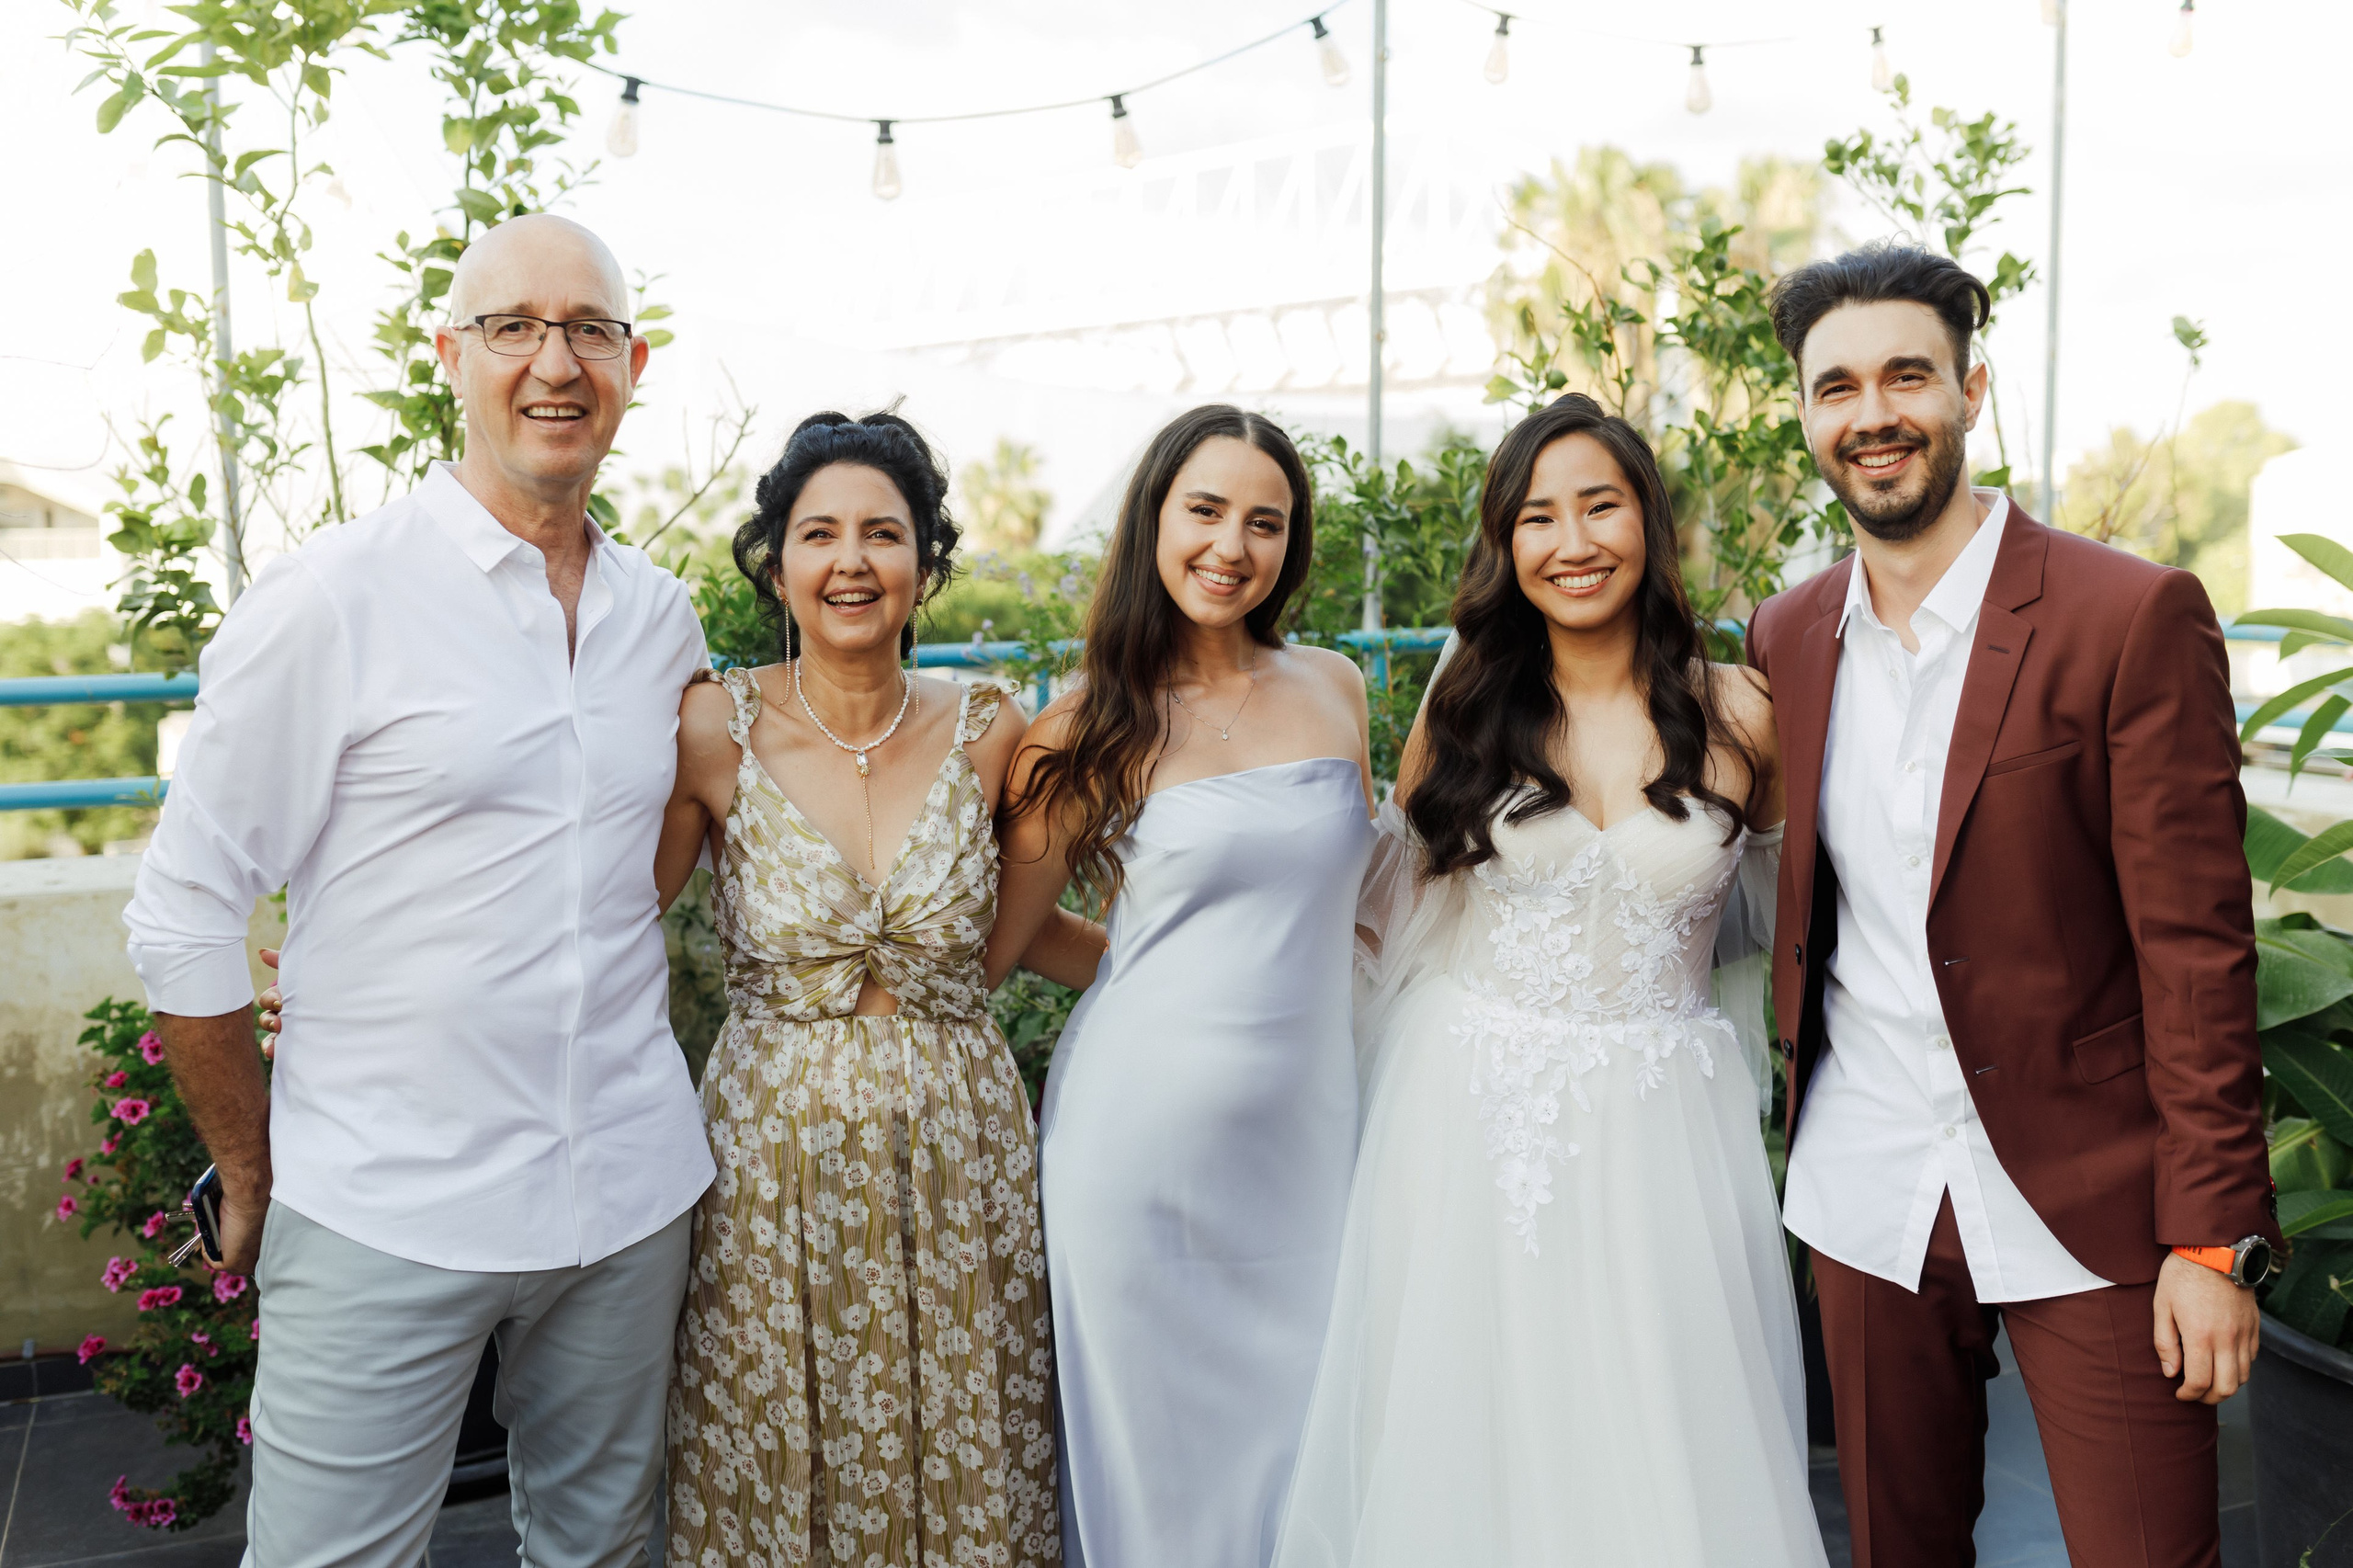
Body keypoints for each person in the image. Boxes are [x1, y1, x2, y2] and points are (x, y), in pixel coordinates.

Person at [121, 215, 711, 1568]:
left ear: (633, 364)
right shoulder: (333, 598)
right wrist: (250, 1162)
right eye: (514, 327)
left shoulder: (659, 617)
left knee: (603, 1551)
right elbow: (188, 905)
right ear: (450, 355)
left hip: (625, 1198)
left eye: (589, 330)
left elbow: (649, 858)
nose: (553, 361)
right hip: (384, 1208)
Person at [1750, 243, 2280, 1568]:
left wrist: (2212, 1240)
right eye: (1837, 386)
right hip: (1866, 1186)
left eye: (1907, 375)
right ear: (1807, 414)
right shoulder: (1787, 636)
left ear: (1972, 389)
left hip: (2094, 1194)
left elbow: (2198, 952)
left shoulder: (2129, 613)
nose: (1873, 412)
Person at [1270, 393, 1822, 1566]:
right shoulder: (1462, 704)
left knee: (1663, 1426)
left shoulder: (1740, 712)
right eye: (1537, 516)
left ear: (1647, 522)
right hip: (1472, 1118)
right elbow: (1388, 920)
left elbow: (1786, 919)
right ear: (1506, 545)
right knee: (1476, 1425)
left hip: (1665, 1124)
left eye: (1600, 506)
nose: (1572, 542)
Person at [652, 411, 1093, 1568]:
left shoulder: (997, 728)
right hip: (768, 1157)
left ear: (925, 562)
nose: (851, 561)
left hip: (961, 1147)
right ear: (778, 562)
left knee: (966, 1441)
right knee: (772, 1437)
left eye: (883, 534)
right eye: (819, 534)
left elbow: (1038, 933)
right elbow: (599, 919)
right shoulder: (712, 726)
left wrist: (1259, 986)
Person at [989, 404, 1375, 1568]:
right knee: (1157, 1481)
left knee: (1316, 1450)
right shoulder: (1085, 723)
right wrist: (1157, 978)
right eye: (1204, 510)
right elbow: (1006, 940)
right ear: (1154, 516)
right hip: (1136, 1158)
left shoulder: (1335, 685)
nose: (1231, 546)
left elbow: (1351, 905)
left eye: (1265, 521)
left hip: (1314, 1148)